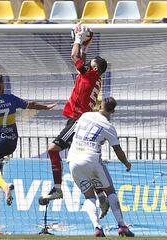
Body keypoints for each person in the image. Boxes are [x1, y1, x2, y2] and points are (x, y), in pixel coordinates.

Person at [39, 24, 109, 214]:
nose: (86, 65)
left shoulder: (92, 74)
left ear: (94, 68)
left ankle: (58, 188)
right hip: (80, 119)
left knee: (53, 149)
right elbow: (80, 59)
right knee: (79, 161)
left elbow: (74, 57)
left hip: (78, 120)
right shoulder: (92, 76)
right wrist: (85, 45)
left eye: (90, 64)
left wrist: (79, 39)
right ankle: (102, 196)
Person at [0, 74, 56, 206]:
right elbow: (31, 105)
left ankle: (5, 186)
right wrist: (45, 107)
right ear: (0, 86)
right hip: (11, 143)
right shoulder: (11, 99)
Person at [67, 97, 134, 237]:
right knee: (110, 191)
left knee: (88, 196)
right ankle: (122, 226)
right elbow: (118, 150)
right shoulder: (108, 126)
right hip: (91, 158)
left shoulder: (85, 115)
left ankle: (97, 228)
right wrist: (126, 163)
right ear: (113, 111)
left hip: (73, 159)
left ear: (99, 106)